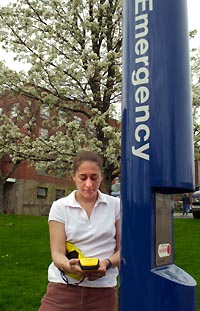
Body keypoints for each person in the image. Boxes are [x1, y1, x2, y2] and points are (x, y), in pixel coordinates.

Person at [39, 151, 120, 311]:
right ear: (74, 177)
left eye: (94, 177)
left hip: (102, 291)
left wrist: (106, 263)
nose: (88, 184)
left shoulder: (116, 205)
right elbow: (57, 253)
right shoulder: (60, 207)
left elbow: (122, 249)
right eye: (83, 177)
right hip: (63, 288)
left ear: (101, 176)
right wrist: (69, 266)